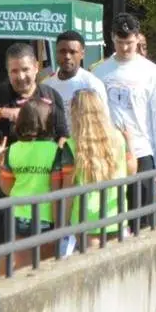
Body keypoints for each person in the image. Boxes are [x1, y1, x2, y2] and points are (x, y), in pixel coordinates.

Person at [0, 42, 67, 246]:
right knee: (5, 231)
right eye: (14, 71)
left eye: (25, 69)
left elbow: (62, 134)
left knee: (42, 231)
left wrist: (62, 165)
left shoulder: (49, 95)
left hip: (40, 174)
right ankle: (5, 268)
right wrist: (1, 113)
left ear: (36, 67)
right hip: (4, 171)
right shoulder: (0, 95)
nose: (20, 77)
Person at [93, 13, 156, 230]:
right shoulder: (100, 72)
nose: (125, 48)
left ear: (137, 38)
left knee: (144, 222)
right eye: (119, 43)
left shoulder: (152, 72)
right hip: (110, 153)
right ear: (111, 39)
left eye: (129, 43)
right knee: (113, 219)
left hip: (143, 152)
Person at [0, 99, 64, 270]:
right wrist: (60, 225)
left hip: (18, 215)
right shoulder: (54, 150)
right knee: (46, 268)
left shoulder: (12, 150)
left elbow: (7, 189)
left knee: (21, 266)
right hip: (45, 217)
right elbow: (56, 191)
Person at [63, 90, 137, 247]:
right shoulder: (118, 137)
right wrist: (130, 142)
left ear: (75, 112)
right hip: (117, 214)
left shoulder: (72, 145)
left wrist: (62, 224)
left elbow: (68, 191)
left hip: (85, 219)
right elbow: (131, 171)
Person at [41, 30, 108, 130]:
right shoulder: (46, 86)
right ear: (56, 53)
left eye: (73, 52)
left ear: (82, 54)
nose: (67, 56)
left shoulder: (91, 84)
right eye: (62, 51)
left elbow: (103, 121)